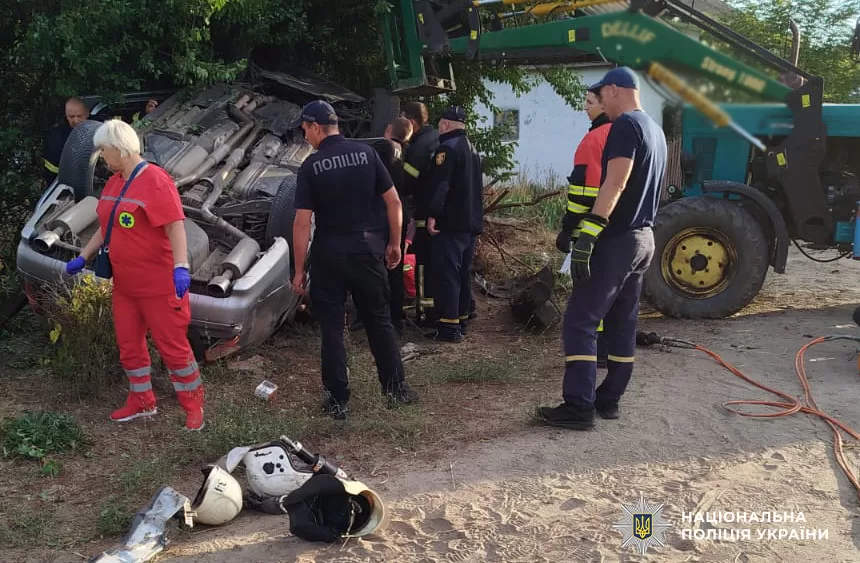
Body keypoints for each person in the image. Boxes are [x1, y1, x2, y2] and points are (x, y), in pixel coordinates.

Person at [537, 67, 667, 430]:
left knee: (581, 321)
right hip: (644, 238)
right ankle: (609, 400)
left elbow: (616, 181)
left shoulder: (626, 125)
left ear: (613, 90)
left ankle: (578, 406)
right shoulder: (655, 129)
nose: (597, 109)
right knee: (622, 324)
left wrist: (589, 232)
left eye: (599, 97)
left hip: (617, 239)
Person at [63, 119, 204, 431]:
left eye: (103, 149)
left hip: (158, 285)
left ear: (119, 148)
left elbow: (174, 225)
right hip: (125, 285)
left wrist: (181, 267)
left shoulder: (156, 180)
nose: (101, 156)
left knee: (173, 348)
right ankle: (142, 401)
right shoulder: (115, 182)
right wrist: (83, 256)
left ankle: (193, 407)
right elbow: (107, 225)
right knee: (129, 344)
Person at [290, 100, 419, 420]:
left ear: (317, 127)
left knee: (332, 328)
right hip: (366, 252)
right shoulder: (368, 155)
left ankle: (337, 401)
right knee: (379, 321)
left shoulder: (310, 167)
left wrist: (297, 269)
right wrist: (394, 244)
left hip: (329, 256)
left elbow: (302, 222)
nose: (305, 136)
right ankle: (396, 390)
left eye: (305, 129)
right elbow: (394, 202)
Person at [556, 89, 612, 369]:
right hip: (623, 234)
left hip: (591, 233)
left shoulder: (594, 139)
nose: (584, 108)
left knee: (588, 299)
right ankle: (610, 350)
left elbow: (582, 193)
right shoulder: (632, 136)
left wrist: (567, 230)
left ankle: (591, 356)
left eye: (590, 103)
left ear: (606, 103)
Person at [425, 106, 484, 343]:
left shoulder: (446, 149)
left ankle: (449, 328)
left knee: (447, 274)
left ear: (446, 125)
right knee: (462, 273)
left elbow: (441, 185)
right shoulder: (473, 149)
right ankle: (461, 318)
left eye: (440, 125)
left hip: (450, 223)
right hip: (470, 223)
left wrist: (432, 214)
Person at [400, 101, 440, 325]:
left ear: (412, 122)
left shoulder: (418, 147)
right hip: (440, 214)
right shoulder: (436, 137)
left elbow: (406, 183)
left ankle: (425, 314)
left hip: (424, 214)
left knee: (422, 266)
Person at [377, 117, 414, 333]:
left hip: (385, 214)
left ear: (389, 129)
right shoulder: (403, 151)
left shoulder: (385, 148)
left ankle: (380, 316)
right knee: (396, 268)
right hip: (400, 215)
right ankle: (396, 316)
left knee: (381, 267)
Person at [43, 97, 90, 185]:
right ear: (66, 114)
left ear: (87, 113)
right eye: (71, 116)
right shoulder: (57, 138)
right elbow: (52, 169)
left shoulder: (97, 128)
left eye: (79, 116)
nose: (75, 120)